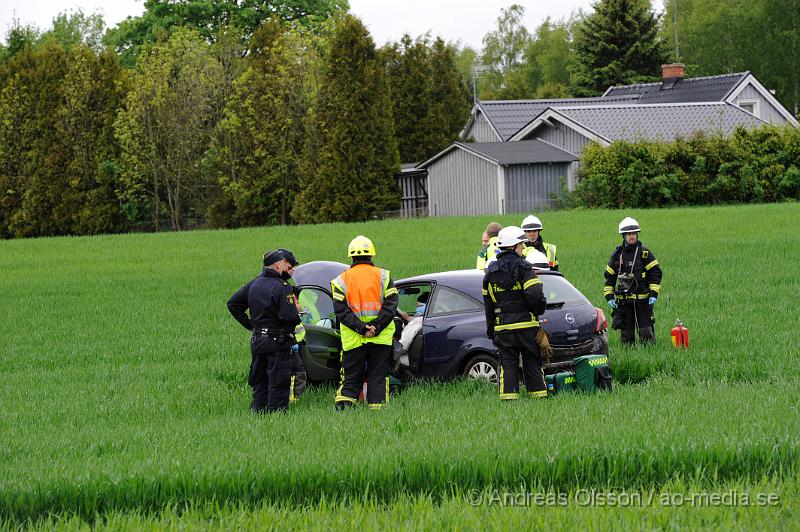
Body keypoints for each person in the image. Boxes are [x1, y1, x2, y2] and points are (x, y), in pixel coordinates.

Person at [227, 249, 301, 413]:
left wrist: (251, 325)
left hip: (258, 341)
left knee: (259, 381)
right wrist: (297, 311)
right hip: (278, 342)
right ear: (277, 265)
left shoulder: (254, 283)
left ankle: (258, 413)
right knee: (278, 382)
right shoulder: (282, 287)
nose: (287, 269)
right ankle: (277, 416)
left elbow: (233, 304)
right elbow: (291, 318)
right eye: (285, 265)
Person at [331, 235, 399, 410]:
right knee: (378, 377)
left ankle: (343, 414)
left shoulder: (340, 281)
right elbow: (391, 306)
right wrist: (376, 326)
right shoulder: (384, 276)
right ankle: (378, 414)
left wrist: (361, 328)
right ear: (371, 256)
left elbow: (341, 312)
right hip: (380, 338)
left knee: (351, 378)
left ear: (351, 257)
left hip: (354, 339)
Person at [483, 226, 549, 400]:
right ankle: (539, 398)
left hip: (503, 328)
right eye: (521, 244)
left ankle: (509, 401)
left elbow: (488, 306)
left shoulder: (490, 274)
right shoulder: (524, 267)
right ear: (513, 246)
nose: (522, 248)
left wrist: (492, 331)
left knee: (508, 365)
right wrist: (538, 311)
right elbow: (535, 295)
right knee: (532, 363)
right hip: (527, 326)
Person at [603, 217, 663, 345]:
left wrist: (653, 293)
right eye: (629, 234)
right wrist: (609, 296)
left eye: (634, 234)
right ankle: (629, 354)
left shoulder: (644, 252)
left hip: (643, 299)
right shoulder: (617, 255)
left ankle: (649, 354)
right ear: (623, 236)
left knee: (646, 331)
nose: (632, 236)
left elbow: (656, 273)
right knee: (626, 335)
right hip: (624, 301)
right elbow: (609, 277)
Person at [277, 249, 307, 403]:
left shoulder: (286, 287)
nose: (292, 271)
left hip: (292, 339)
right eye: (290, 268)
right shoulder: (281, 288)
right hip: (288, 339)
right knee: (296, 372)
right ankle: (292, 399)